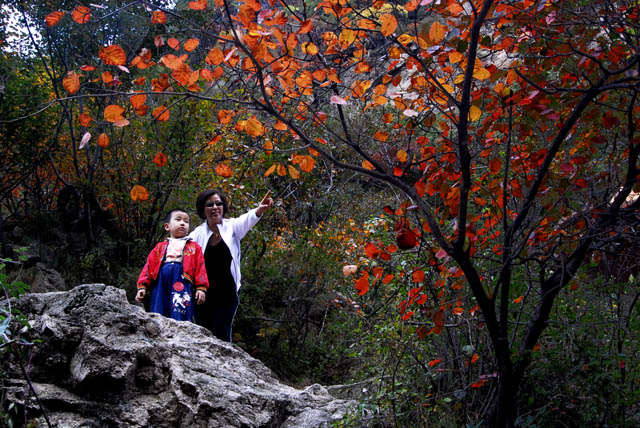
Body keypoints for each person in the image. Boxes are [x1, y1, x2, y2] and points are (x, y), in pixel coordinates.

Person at [189, 189, 273, 342]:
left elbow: (247, 219)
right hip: (202, 294)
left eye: (218, 203)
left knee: (222, 332)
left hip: (226, 293)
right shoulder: (196, 235)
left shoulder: (232, 227)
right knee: (203, 334)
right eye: (210, 204)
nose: (215, 207)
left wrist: (259, 210)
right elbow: (180, 249)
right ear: (203, 209)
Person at [136, 208, 208, 321]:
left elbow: (200, 267)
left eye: (186, 221)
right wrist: (142, 286)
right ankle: (157, 331)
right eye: (178, 219)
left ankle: (181, 332)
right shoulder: (159, 247)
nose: (182, 223)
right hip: (161, 279)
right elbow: (149, 266)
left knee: (180, 305)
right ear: (167, 226)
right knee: (159, 307)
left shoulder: (194, 247)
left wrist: (201, 288)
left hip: (182, 278)